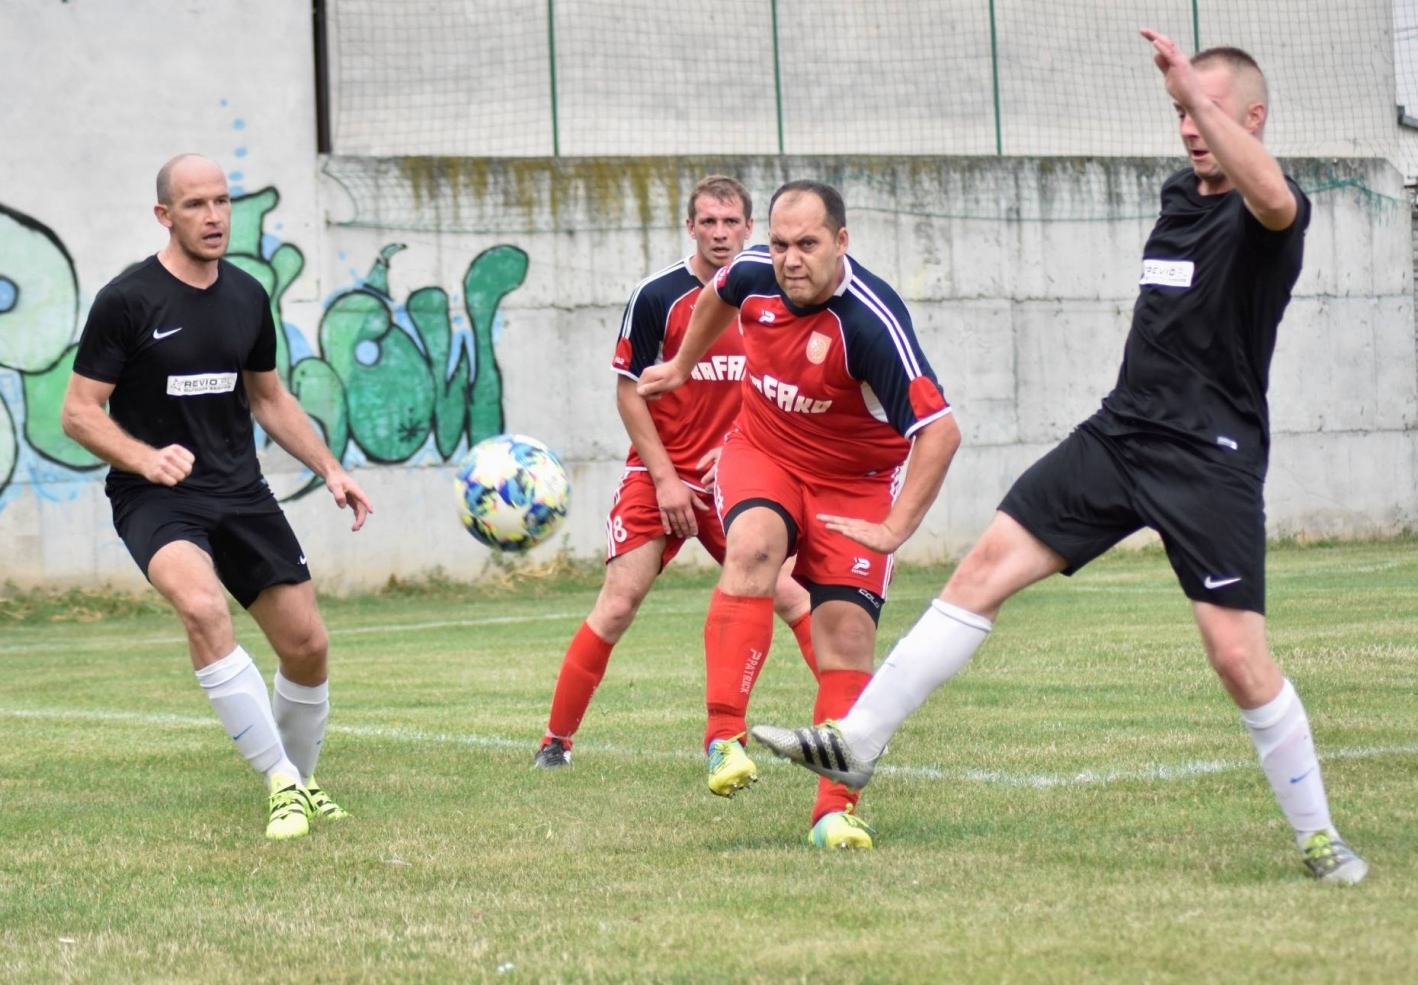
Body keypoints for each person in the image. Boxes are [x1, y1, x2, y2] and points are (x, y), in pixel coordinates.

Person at [752, 31, 1368, 883]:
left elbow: (1272, 198)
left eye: (1210, 111)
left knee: (1235, 657)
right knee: (982, 571)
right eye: (1182, 111)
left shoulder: (1269, 208)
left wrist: (1191, 87)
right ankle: (857, 741)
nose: (1190, 124)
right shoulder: (1178, 197)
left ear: (1252, 119)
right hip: (1119, 437)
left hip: (1208, 457)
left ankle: (1319, 836)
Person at [637, 179, 961, 849]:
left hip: (856, 485)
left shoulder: (870, 323)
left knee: (844, 639)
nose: (790, 258)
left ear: (841, 243)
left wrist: (896, 527)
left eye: (808, 244)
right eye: (781, 243)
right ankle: (723, 736)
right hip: (764, 454)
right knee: (751, 548)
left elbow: (940, 431)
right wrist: (679, 366)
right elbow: (717, 295)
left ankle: (833, 812)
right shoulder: (753, 272)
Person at [61, 154, 373, 842]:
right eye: (196, 204)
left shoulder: (246, 295)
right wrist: (145, 458)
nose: (213, 217)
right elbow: (79, 411)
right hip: (155, 497)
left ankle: (303, 777)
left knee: (308, 645)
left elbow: (269, 398)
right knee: (202, 607)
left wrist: (329, 467)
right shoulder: (127, 300)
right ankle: (280, 784)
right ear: (164, 215)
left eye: (221, 202)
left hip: (240, 490)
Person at [533, 175, 819, 770]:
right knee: (617, 604)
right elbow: (629, 393)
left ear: (749, 229)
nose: (719, 233)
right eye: (707, 222)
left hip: (737, 480)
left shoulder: (777, 296)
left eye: (730, 222)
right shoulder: (658, 295)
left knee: (795, 598)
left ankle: (853, 725)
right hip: (659, 473)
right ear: (690, 227)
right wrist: (665, 479)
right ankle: (555, 742)